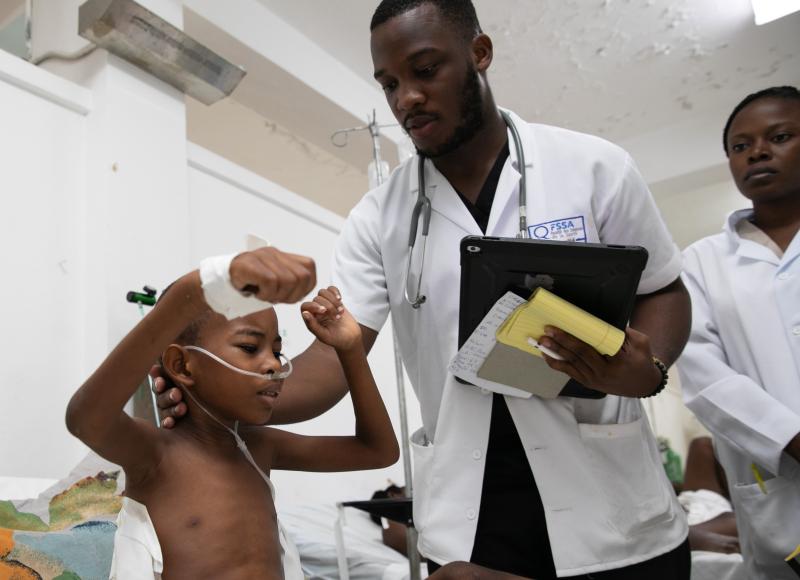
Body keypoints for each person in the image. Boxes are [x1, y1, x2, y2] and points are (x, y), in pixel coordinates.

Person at [157, 1, 692, 577]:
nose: (405, 98)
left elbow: (664, 291)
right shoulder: (378, 218)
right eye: (389, 83)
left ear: (479, 54)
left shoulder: (594, 167)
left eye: (425, 70)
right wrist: (219, 393)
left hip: (613, 515)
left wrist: (650, 367)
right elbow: (336, 360)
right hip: (475, 519)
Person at [66, 247, 399, 579]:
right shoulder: (156, 455)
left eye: (277, 351)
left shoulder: (259, 448)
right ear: (182, 365)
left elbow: (379, 451)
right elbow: (85, 418)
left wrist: (351, 349)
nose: (273, 364)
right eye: (250, 348)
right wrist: (197, 289)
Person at [678, 85, 800, 580]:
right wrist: (790, 438)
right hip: (778, 490)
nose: (758, 152)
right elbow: (704, 375)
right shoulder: (701, 262)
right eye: (740, 146)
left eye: (780, 136)